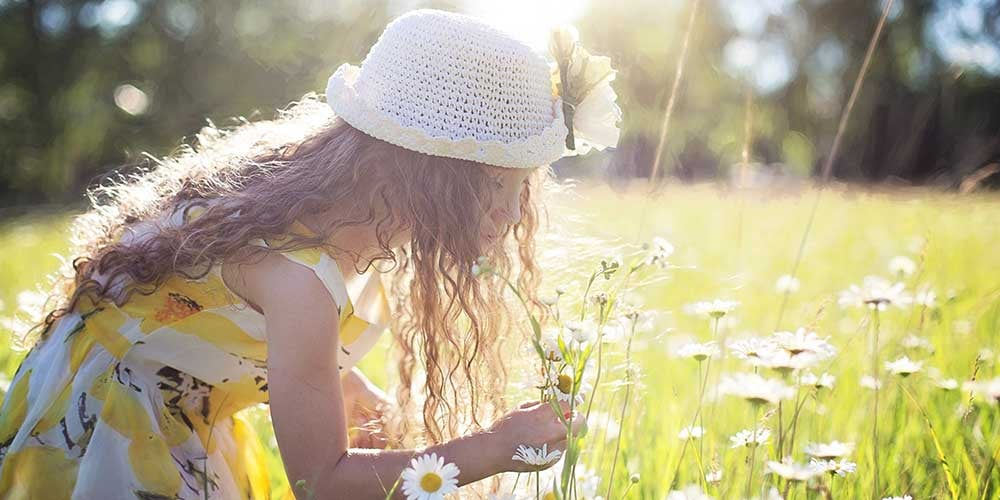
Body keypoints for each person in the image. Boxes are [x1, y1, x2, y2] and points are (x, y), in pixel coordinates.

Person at [0, 8, 614, 499]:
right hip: (107, 423)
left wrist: (349, 388)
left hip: (176, 404)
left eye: (521, 184)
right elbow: (320, 481)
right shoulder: (299, 276)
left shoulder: (335, 213)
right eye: (492, 183)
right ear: (419, 171)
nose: (511, 213)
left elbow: (234, 329)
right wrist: (490, 448)